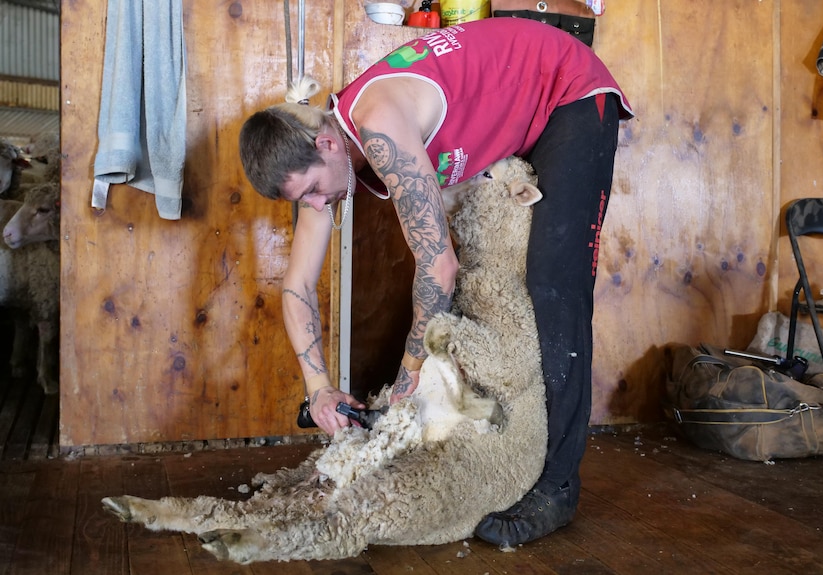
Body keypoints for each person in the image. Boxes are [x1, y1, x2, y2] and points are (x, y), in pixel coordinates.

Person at [239, 16, 633, 546]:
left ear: (328, 147)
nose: (314, 206)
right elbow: (297, 288)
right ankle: (511, 458)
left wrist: (405, 384)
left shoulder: (377, 126)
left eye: (311, 191)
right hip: (525, 107)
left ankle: (559, 486)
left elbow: (438, 266)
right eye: (302, 200)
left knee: (553, 286)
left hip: (569, 89)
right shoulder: (322, 162)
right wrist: (318, 391)